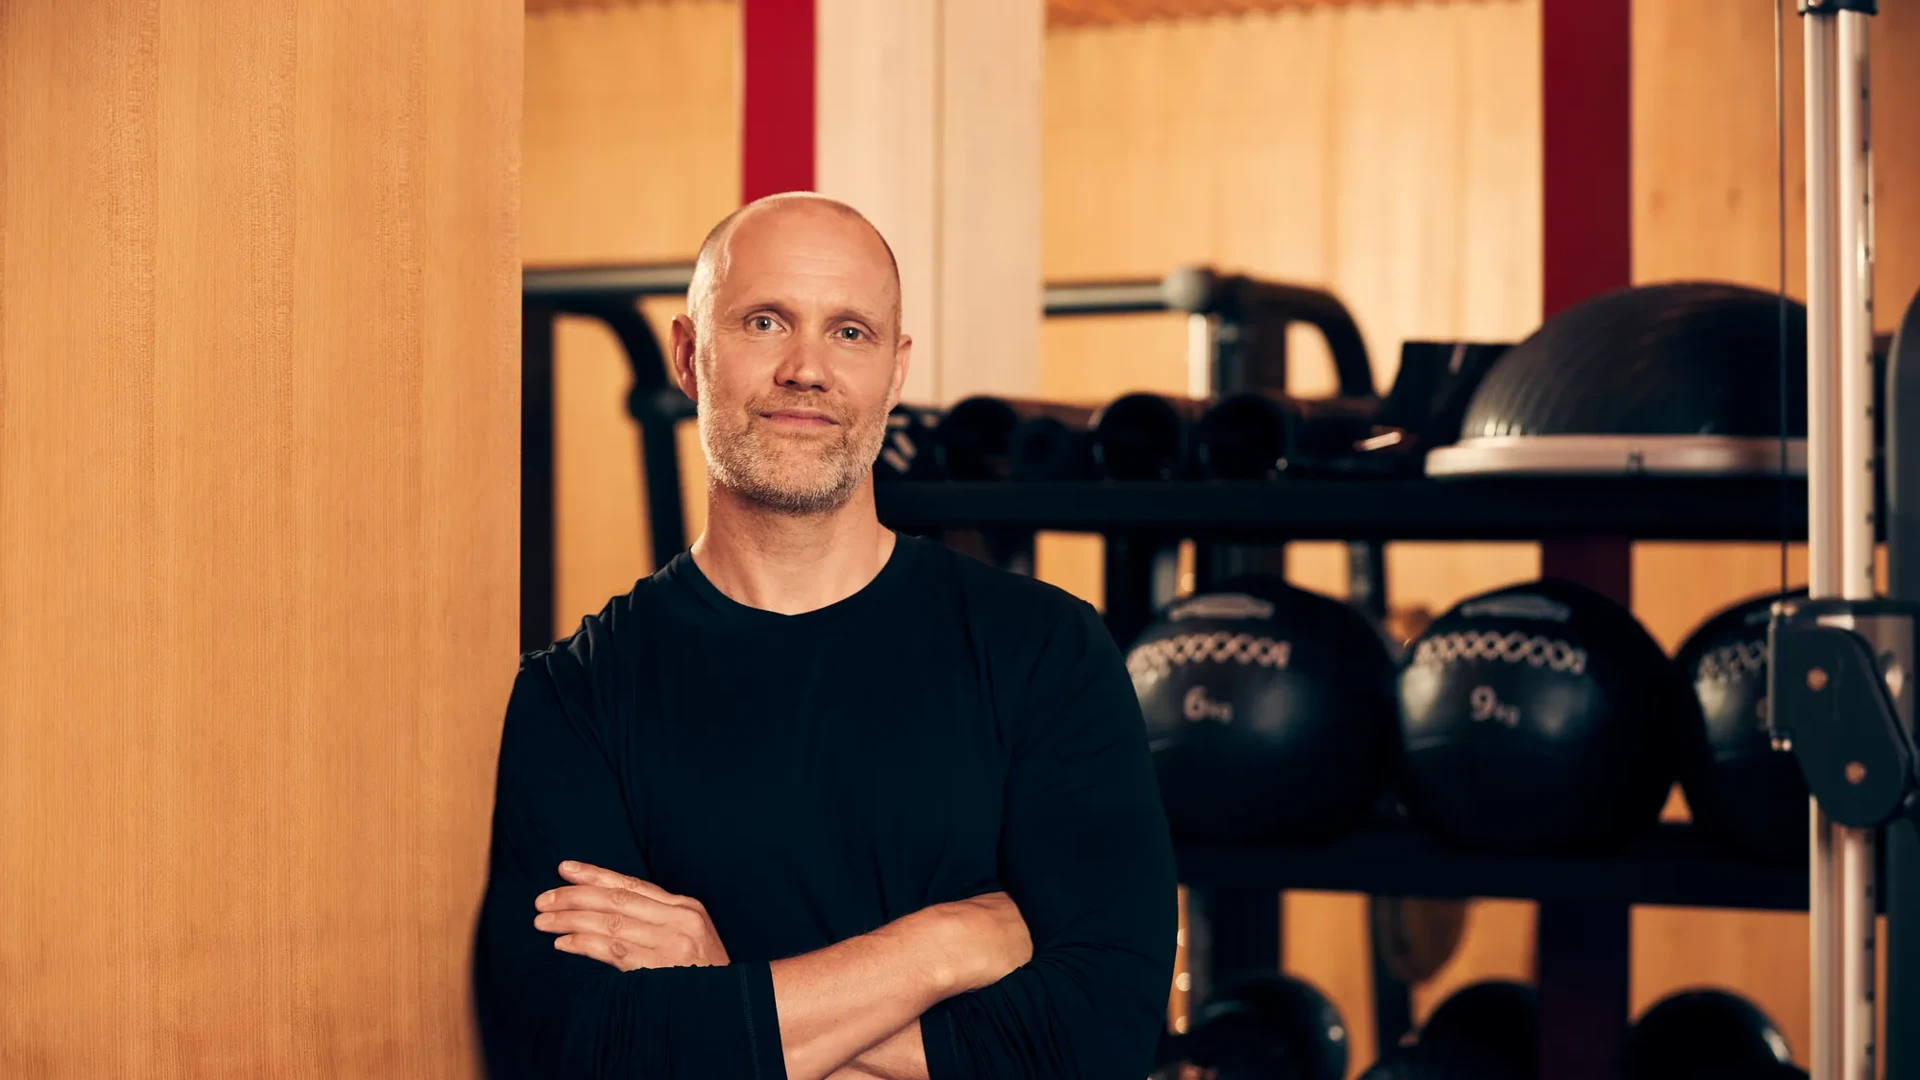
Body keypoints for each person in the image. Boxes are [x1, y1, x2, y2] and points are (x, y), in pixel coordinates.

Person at [473, 192, 1178, 1080]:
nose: (807, 368)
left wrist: (720, 989)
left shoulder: (1048, 652)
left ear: (894, 370)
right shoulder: (573, 696)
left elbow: (1100, 1036)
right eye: (765, 321)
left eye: (850, 333)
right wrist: (943, 946)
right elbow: (585, 1048)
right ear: (690, 357)